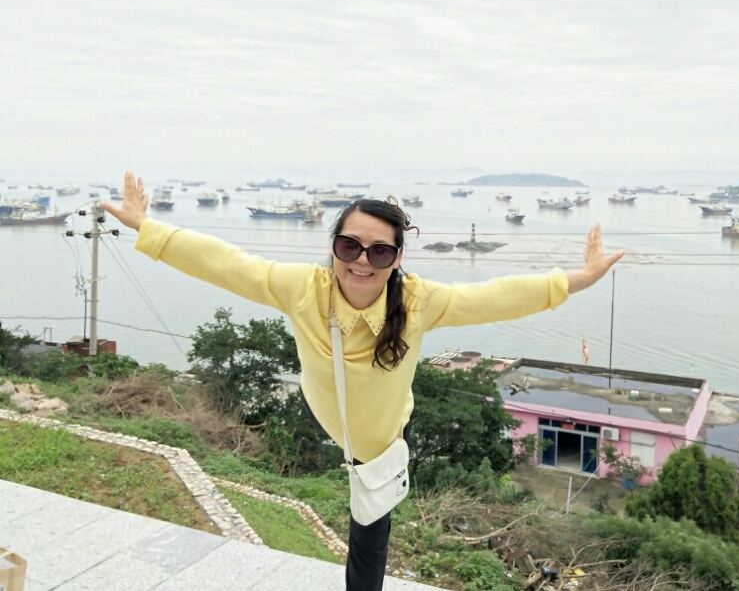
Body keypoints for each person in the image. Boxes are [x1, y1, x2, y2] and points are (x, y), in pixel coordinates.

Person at [102, 172, 624, 591]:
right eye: (349, 245)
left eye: (379, 252)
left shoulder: (418, 302)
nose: (361, 261)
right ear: (333, 246)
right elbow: (227, 264)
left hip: (383, 436)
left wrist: (577, 280)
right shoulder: (303, 289)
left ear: (397, 259)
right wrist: (147, 227)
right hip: (326, 415)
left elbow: (496, 296)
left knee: (370, 530)